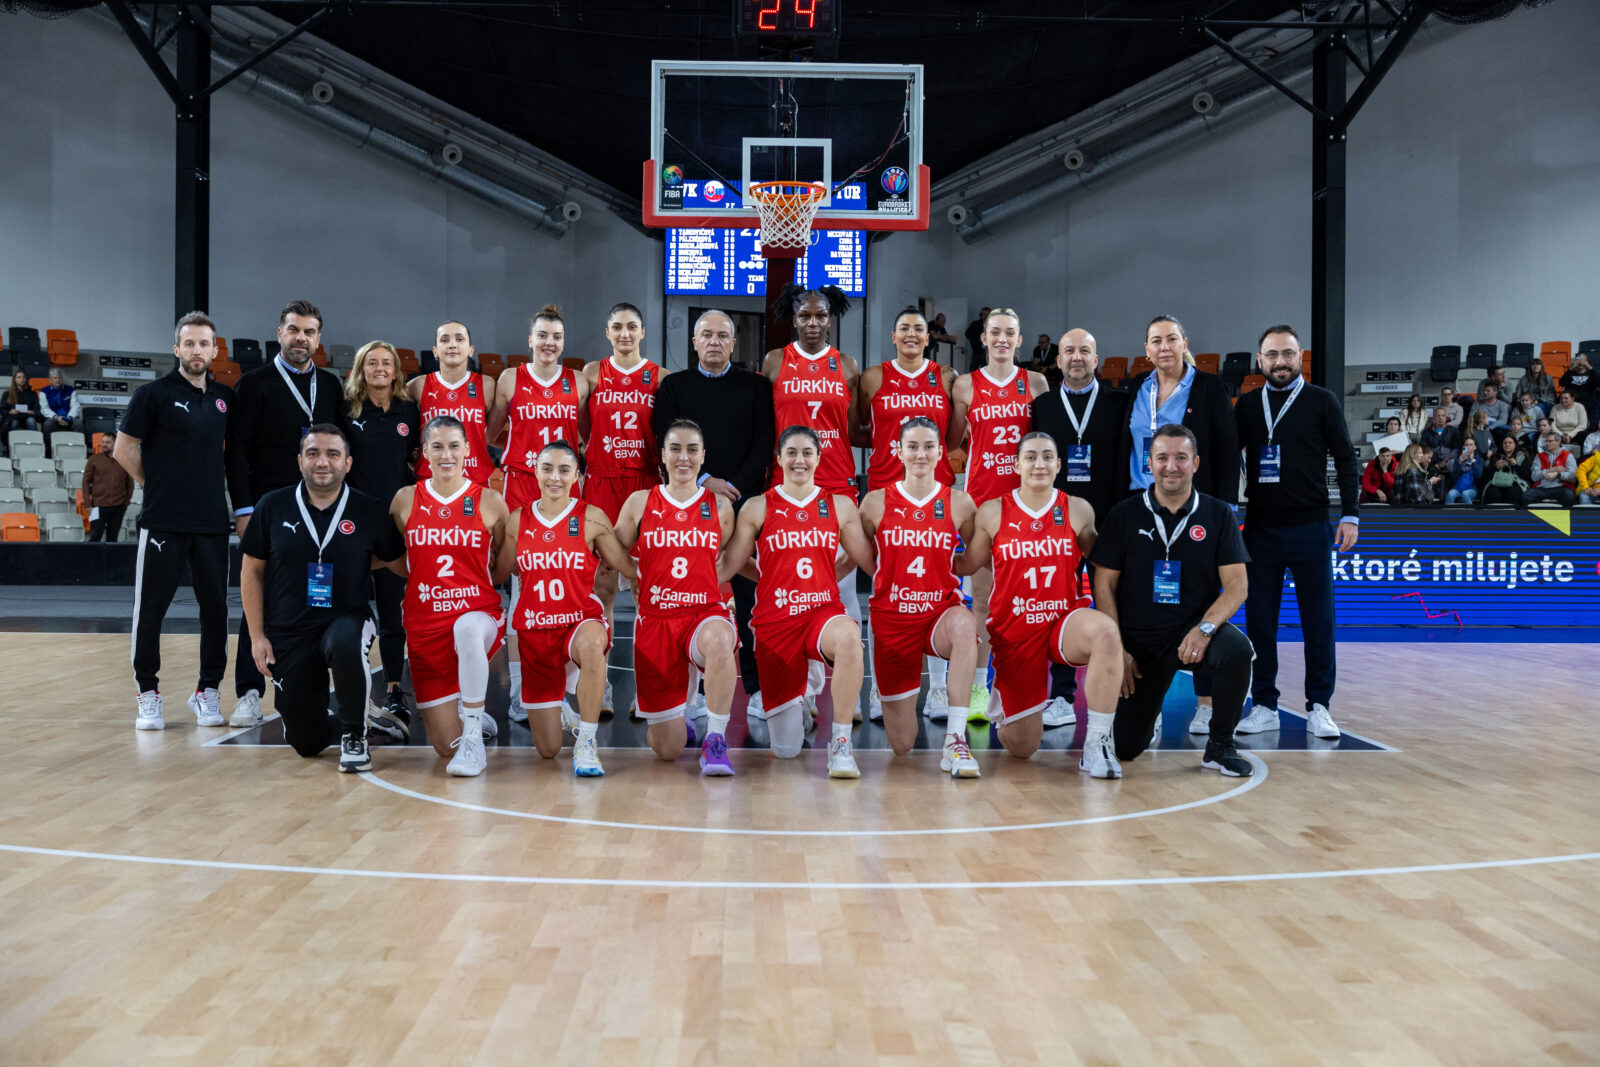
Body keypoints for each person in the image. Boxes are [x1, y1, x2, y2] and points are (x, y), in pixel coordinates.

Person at [955, 431, 1125, 776]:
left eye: (1047, 456)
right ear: (1016, 464)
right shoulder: (993, 512)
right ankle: (1006, 704)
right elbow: (967, 564)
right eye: (1030, 456)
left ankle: (1097, 743)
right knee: (1022, 748)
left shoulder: (1077, 509)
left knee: (1106, 633)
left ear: (1059, 465)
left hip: (1063, 621)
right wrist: (916, 555)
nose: (1039, 463)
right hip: (1015, 630)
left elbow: (1104, 563)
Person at [1089, 424, 1254, 777]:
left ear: (1195, 463)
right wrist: (1117, 649)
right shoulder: (1123, 514)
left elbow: (1238, 585)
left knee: (1238, 651)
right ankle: (1144, 720)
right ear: (1149, 463)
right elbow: (1102, 585)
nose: (1171, 466)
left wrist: (1205, 629)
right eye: (1162, 457)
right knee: (1127, 748)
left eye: (1181, 457)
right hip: (1138, 644)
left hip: (1191, 635)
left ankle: (1220, 745)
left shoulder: (1218, 514)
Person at [239, 425, 404, 772]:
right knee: (306, 743)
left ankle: (354, 734)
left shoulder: (368, 509)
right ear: (300, 460)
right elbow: (251, 572)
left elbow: (395, 561)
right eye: (313, 453)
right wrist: (256, 637)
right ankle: (360, 715)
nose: (322, 462)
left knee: (345, 643)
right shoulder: (272, 505)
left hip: (347, 617)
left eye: (332, 454)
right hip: (290, 630)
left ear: (348, 462)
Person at [718, 426, 874, 779]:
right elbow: (732, 563)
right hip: (776, 623)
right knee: (786, 751)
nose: (799, 460)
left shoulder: (839, 504)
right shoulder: (758, 506)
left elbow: (863, 558)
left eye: (807, 453)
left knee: (850, 637)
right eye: (791, 452)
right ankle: (799, 705)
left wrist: (828, 575)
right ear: (779, 459)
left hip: (822, 614)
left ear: (819, 458)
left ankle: (841, 743)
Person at [1233, 325, 1358, 741]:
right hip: (1261, 529)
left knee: (1318, 623)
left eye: (1287, 353)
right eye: (1271, 355)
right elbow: (1225, 457)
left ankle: (1319, 706)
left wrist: (1350, 516)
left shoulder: (1322, 401)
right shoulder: (1247, 406)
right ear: (1260, 360)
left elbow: (1344, 458)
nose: (1279, 361)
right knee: (1260, 624)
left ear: (1299, 356)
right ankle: (1264, 704)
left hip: (1311, 527)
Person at [226, 300, 344, 728]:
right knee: (258, 595)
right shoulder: (254, 384)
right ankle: (248, 692)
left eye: (309, 332)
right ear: (279, 334)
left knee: (317, 594)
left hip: (322, 506)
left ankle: (313, 685)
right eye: (294, 330)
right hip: (268, 506)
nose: (301, 338)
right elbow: (236, 450)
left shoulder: (330, 386)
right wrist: (243, 508)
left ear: (318, 340)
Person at [652, 310, 775, 723]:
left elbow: (764, 443)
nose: (715, 342)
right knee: (693, 595)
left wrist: (733, 487)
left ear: (734, 343)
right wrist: (705, 481)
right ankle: (695, 692)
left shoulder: (756, 387)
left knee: (747, 595)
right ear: (694, 342)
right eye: (706, 335)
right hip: (689, 501)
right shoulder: (674, 386)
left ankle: (756, 688)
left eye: (723, 335)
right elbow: (664, 438)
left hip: (742, 503)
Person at [114, 311, 233, 730]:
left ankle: (208, 691)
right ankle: (148, 693)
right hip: (163, 521)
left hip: (212, 524)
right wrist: (158, 484)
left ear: (214, 350)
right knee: (151, 611)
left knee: (216, 611)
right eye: (189, 343)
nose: (196, 350)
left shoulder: (224, 399)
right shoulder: (153, 394)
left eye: (204, 344)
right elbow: (123, 450)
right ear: (176, 348)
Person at [1119, 315, 1238, 733]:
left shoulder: (1208, 387)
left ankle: (1206, 704)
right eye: (1155, 341)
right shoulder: (1138, 387)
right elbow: (1127, 446)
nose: (1164, 347)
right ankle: (1144, 705)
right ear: (1146, 349)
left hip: (1194, 509)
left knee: (1199, 599)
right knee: (1139, 603)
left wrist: (1223, 511)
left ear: (1184, 343)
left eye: (1171, 339)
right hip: (1141, 505)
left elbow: (1225, 449)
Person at [497, 440, 638, 777]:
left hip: (579, 621)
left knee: (593, 644)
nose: (555, 477)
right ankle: (562, 705)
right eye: (547, 469)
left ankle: (587, 742)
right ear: (535, 471)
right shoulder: (518, 520)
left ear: (577, 475)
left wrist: (679, 573)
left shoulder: (591, 517)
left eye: (564, 470)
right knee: (547, 750)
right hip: (534, 631)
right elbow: (498, 573)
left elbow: (627, 565)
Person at [613, 420, 740, 776]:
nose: (683, 457)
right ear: (664, 455)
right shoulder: (640, 502)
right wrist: (635, 573)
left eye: (692, 450)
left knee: (719, 638)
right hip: (655, 621)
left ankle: (715, 741)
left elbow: (732, 558)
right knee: (667, 750)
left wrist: (711, 583)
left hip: (703, 612)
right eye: (675, 449)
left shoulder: (720, 507)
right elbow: (611, 550)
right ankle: (676, 720)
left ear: (703, 457)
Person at [856, 418, 981, 777]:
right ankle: (902, 697)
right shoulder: (875, 502)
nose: (921, 454)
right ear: (898, 451)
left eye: (929, 446)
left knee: (964, 624)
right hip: (892, 622)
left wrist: (946, 564)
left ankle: (955, 739)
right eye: (912, 446)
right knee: (902, 744)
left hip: (937, 614)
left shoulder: (959, 502)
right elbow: (864, 556)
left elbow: (972, 557)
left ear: (941, 452)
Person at [762, 284, 864, 722]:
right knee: (792, 591)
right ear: (792, 318)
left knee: (842, 591)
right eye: (804, 316)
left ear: (831, 317)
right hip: (786, 489)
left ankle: (849, 694)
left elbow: (856, 429)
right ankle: (801, 691)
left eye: (821, 315)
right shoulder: (774, 362)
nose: (813, 323)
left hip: (837, 485)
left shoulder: (847, 365)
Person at [389, 415, 512, 777]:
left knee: (468, 630)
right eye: (437, 446)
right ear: (425, 451)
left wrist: (478, 587)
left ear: (467, 450)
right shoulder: (405, 499)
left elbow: (503, 561)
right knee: (444, 747)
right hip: (424, 623)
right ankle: (476, 720)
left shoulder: (490, 500)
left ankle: (473, 737)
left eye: (454, 445)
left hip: (477, 612)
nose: (446, 454)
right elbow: (400, 557)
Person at [855, 307, 961, 725]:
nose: (913, 334)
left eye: (919, 328)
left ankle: (937, 689)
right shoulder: (873, 378)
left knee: (937, 588)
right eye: (905, 328)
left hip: (936, 493)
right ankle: (882, 691)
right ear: (893, 336)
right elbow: (858, 428)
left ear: (928, 337)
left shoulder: (945, 377)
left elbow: (953, 436)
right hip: (885, 490)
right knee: (885, 594)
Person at [1028, 326, 1131, 727]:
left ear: (1096, 357)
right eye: (1069, 351)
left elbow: (1126, 463)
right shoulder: (1043, 405)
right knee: (1060, 605)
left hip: (1108, 519)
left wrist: (1122, 519)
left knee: (1116, 605)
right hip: (1056, 522)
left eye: (1084, 351)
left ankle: (1126, 692)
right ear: (1057, 360)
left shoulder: (1120, 402)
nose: (1076, 358)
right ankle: (1061, 696)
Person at [950, 308, 1049, 723]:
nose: (1003, 339)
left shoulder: (1037, 382)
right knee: (984, 604)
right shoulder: (966, 385)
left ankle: (1014, 688)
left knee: (1024, 604)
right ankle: (978, 691)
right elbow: (953, 442)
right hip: (981, 506)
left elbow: (1047, 443)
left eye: (1010, 332)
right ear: (984, 339)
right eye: (996, 332)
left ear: (1020, 339)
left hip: (1027, 506)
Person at [341, 340, 421, 741]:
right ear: (361, 368)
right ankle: (348, 690)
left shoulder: (408, 410)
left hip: (395, 524)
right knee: (351, 609)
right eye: (371, 362)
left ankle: (392, 690)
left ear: (395, 370)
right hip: (355, 523)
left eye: (386, 363)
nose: (379, 368)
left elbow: (413, 458)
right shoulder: (348, 410)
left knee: (393, 613)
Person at [582, 301, 666, 642]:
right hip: (602, 480)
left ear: (643, 332)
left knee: (644, 581)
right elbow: (583, 429)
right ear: (608, 333)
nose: (625, 333)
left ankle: (649, 674)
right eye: (617, 327)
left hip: (644, 482)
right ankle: (599, 676)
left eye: (632, 326)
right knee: (602, 582)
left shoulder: (660, 376)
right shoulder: (591, 372)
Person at [409, 319, 496, 487]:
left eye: (459, 339)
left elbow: (496, 431)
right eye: (444, 340)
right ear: (434, 351)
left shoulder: (486, 385)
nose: (452, 345)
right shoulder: (418, 385)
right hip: (430, 479)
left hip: (475, 480)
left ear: (471, 350)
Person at [82, 430, 134, 541]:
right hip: (97, 506)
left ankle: (110, 559)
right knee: (94, 537)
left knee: (113, 538)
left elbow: (130, 483)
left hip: (118, 506)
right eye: (103, 442)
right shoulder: (94, 459)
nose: (104, 444)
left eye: (108, 442)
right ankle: (92, 559)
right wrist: (87, 504)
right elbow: (86, 482)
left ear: (115, 443)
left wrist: (126, 502)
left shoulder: (125, 460)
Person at [1525, 431, 1577, 508]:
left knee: (1569, 495)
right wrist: (1550, 470)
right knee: (1526, 496)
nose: (1547, 443)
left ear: (1558, 442)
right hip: (1542, 487)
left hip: (1561, 487)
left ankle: (1563, 518)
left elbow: (1573, 476)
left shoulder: (1568, 455)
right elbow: (1534, 476)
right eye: (1546, 441)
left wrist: (1558, 474)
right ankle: (1535, 517)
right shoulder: (1539, 456)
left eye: (1550, 441)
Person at [1479, 434, 1529, 507]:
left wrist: (1516, 465)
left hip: (1515, 483)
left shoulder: (1522, 456)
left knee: (1513, 492)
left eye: (1510, 443)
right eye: (1505, 443)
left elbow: (1527, 475)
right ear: (1502, 445)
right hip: (1496, 482)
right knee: (1492, 493)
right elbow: (1485, 477)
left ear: (1515, 445)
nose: (1507, 444)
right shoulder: (1495, 457)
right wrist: (1496, 467)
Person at [1, 368, 42, 448]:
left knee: (31, 421)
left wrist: (33, 412)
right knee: (14, 422)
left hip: (28, 416)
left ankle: (34, 445)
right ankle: (12, 447)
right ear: (14, 379)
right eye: (19, 377)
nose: (22, 379)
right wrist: (10, 411)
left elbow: (37, 410)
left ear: (26, 379)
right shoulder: (7, 394)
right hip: (13, 417)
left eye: (23, 377)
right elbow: (2, 409)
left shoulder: (32, 394)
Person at [40, 367, 80, 448]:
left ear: (62, 379)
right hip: (54, 418)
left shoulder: (71, 390)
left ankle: (77, 448)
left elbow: (75, 406)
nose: (57, 380)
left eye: (59, 377)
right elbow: (44, 408)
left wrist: (69, 418)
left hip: (69, 418)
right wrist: (57, 418)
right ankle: (49, 451)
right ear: (50, 379)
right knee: (47, 424)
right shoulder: (44, 391)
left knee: (79, 423)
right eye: (55, 378)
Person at [1559, 352, 1597, 421]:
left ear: (1586, 361)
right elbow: (1561, 383)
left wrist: (1589, 367)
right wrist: (1571, 368)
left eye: (1582, 360)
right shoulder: (1570, 373)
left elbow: (1598, 382)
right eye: (1578, 360)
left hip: (1587, 403)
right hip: (1571, 402)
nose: (1580, 363)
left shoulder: (1591, 374)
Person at [1445, 438, 1483, 505]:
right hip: (1459, 487)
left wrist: (1472, 460)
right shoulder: (1458, 460)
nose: (1468, 446)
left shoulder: (1479, 460)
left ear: (1475, 447)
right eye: (1466, 445)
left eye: (1471, 445)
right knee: (1450, 494)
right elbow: (1454, 477)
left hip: (1472, 489)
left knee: (1465, 494)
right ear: (1463, 447)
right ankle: (1448, 515)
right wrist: (1459, 463)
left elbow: (1478, 475)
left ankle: (1469, 515)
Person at [964, 307, 990, 372]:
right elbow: (967, 334)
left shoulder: (993, 326)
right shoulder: (975, 324)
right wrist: (974, 343)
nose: (985, 316)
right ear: (981, 315)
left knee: (987, 372)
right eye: (984, 314)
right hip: (977, 352)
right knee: (973, 371)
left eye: (987, 315)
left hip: (988, 352)